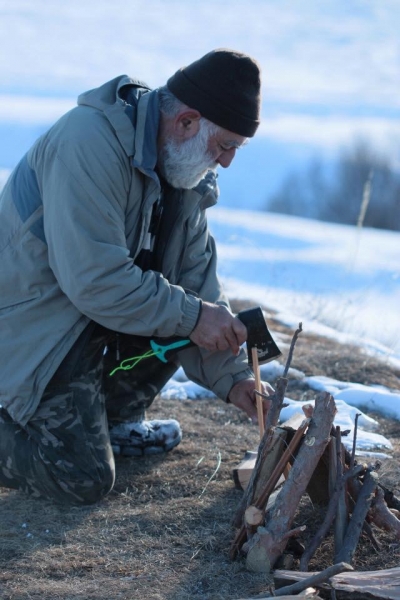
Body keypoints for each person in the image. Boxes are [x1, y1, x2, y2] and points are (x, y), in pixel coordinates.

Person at [0, 48, 273, 505]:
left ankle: (113, 419)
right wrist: (193, 317)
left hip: (84, 322)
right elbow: (95, 281)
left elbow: (197, 288)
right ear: (186, 121)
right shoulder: (88, 144)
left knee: (183, 314)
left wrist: (235, 378)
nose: (226, 162)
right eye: (225, 145)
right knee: (79, 476)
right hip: (31, 326)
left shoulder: (184, 175)